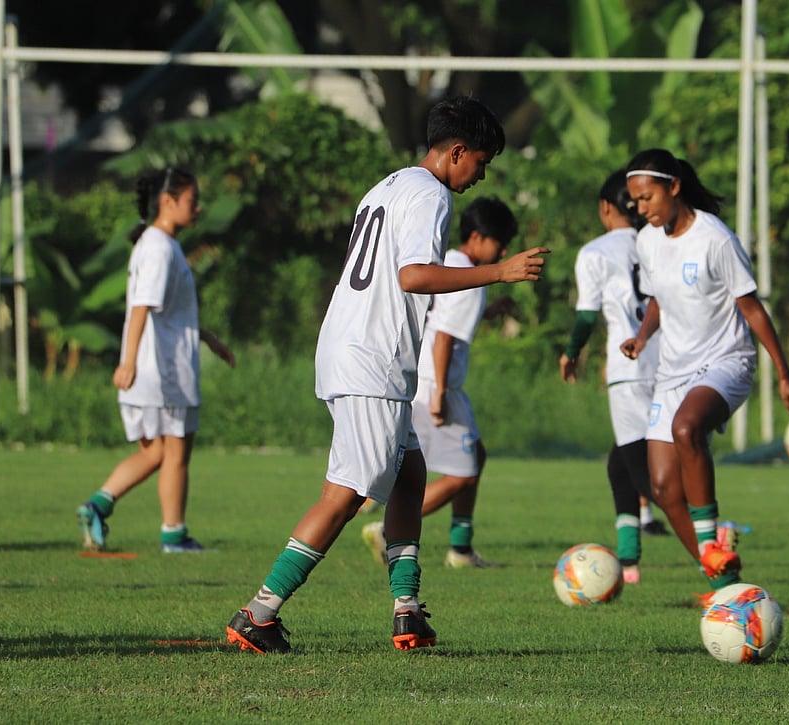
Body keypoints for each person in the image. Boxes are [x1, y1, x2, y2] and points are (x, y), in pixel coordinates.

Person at [225, 97, 549, 655]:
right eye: (482, 162)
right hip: (371, 359)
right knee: (348, 494)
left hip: (355, 349)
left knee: (409, 472)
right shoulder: (430, 194)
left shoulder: (389, 185)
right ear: (457, 152)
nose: (482, 174)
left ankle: (407, 611)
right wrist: (500, 271)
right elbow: (413, 275)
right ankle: (259, 613)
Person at [618, 148, 789, 597]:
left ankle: (710, 544)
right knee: (663, 489)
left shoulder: (715, 239)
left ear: (674, 187)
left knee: (687, 427)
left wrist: (784, 373)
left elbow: (752, 309)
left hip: (727, 361)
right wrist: (643, 337)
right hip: (672, 370)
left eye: (647, 198)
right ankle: (726, 583)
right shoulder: (646, 240)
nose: (642, 209)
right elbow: (659, 299)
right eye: (636, 202)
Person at [76, 168, 236, 554]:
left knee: (156, 452)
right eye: (190, 201)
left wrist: (208, 338)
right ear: (168, 201)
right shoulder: (160, 247)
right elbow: (141, 307)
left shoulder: (158, 245)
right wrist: (127, 361)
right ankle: (174, 535)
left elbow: (168, 312)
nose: (197, 208)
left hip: (158, 366)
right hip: (164, 370)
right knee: (176, 452)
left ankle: (98, 506)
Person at [361, 196, 520, 570]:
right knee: (462, 475)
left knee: (475, 457)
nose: (505, 251)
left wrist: (491, 310)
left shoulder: (450, 261)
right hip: (439, 384)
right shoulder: (473, 280)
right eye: (501, 242)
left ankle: (461, 549)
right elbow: (445, 336)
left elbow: (439, 317)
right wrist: (441, 395)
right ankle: (386, 530)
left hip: (426, 378)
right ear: (479, 238)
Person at [559, 169, 669, 586]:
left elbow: (587, 314)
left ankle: (710, 535)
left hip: (630, 367)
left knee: (643, 469)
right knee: (620, 464)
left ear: (606, 207)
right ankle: (628, 561)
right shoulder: (658, 241)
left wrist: (571, 352)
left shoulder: (596, 252)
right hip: (669, 362)